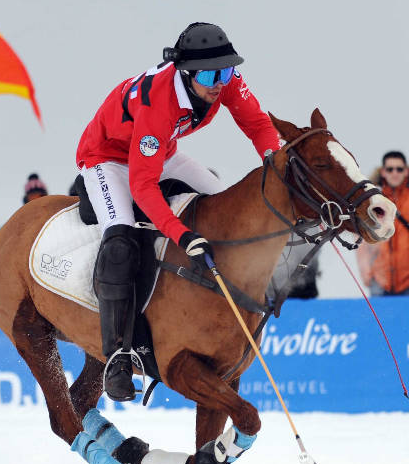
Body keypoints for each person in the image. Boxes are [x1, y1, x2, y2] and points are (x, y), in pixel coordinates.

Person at [76, 22, 281, 401]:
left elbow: (257, 124)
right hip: (108, 160)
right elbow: (142, 185)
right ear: (186, 74)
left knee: (230, 211)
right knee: (121, 239)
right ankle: (118, 354)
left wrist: (275, 161)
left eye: (227, 70)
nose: (220, 82)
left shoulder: (225, 79)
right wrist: (183, 236)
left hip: (163, 152)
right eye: (209, 74)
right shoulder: (158, 103)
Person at [361, 151, 409, 296]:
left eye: (399, 169)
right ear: (383, 172)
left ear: (406, 171)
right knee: (379, 319)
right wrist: (367, 273)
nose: (395, 173)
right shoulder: (373, 201)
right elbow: (362, 238)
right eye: (390, 169)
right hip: (379, 282)